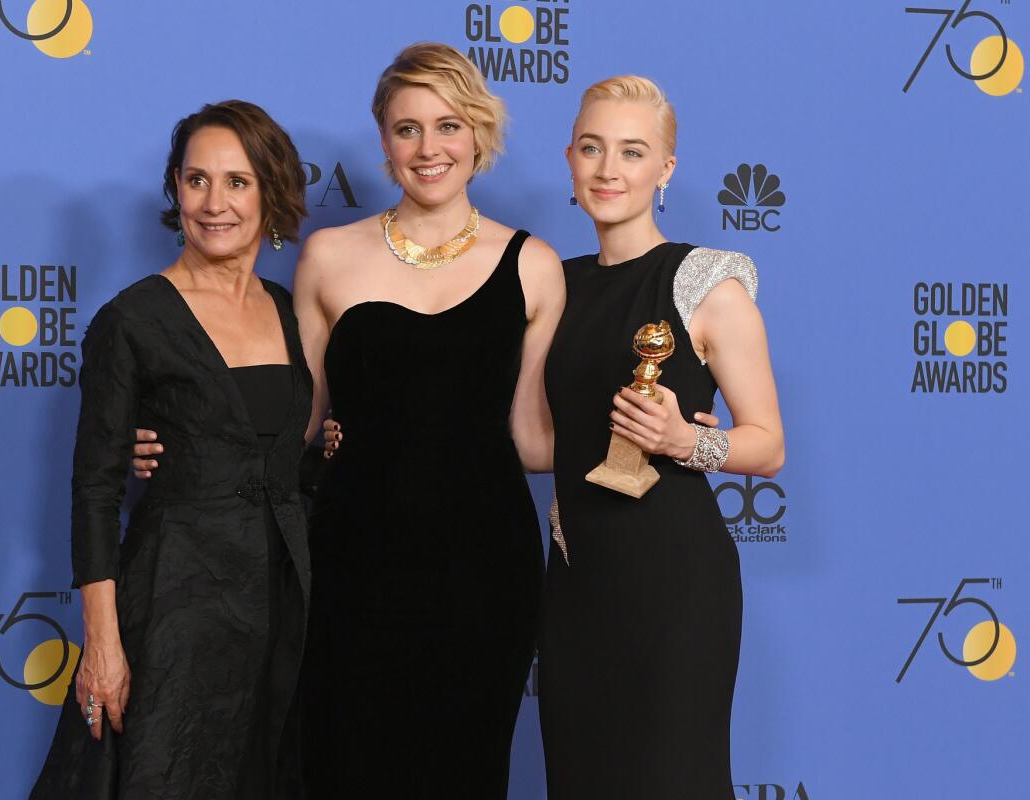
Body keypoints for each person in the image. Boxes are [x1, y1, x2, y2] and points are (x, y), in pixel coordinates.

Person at [134, 43, 564, 798]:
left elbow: (531, 438)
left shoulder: (534, 265)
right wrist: (176, 446)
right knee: (344, 766)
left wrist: (647, 439)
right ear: (383, 141)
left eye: (448, 126)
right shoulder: (329, 257)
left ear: (479, 136)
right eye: (406, 129)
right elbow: (293, 423)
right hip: (350, 564)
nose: (428, 148)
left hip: (484, 572)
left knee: (464, 772)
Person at [31, 100, 313, 800]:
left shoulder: (287, 309)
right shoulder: (131, 320)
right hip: (175, 609)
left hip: (282, 604)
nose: (214, 203)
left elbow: (282, 449)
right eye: (195, 181)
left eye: (237, 182)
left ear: (271, 191)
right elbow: (94, 490)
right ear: (175, 190)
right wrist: (101, 644)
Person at [539, 76, 785, 798]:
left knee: (671, 778)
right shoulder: (555, 284)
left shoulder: (708, 284)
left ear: (665, 169)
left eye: (632, 151)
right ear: (570, 159)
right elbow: (532, 438)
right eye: (592, 148)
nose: (608, 169)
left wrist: (687, 441)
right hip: (576, 578)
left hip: (676, 582)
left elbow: (768, 445)